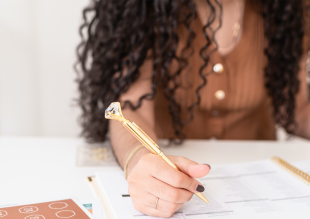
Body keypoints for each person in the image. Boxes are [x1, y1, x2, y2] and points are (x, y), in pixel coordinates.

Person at [76, 0, 310, 217]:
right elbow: (131, 106)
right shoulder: (144, 8)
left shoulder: (290, 9)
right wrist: (139, 160)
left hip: (263, 180)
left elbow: (294, 110)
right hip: (170, 168)